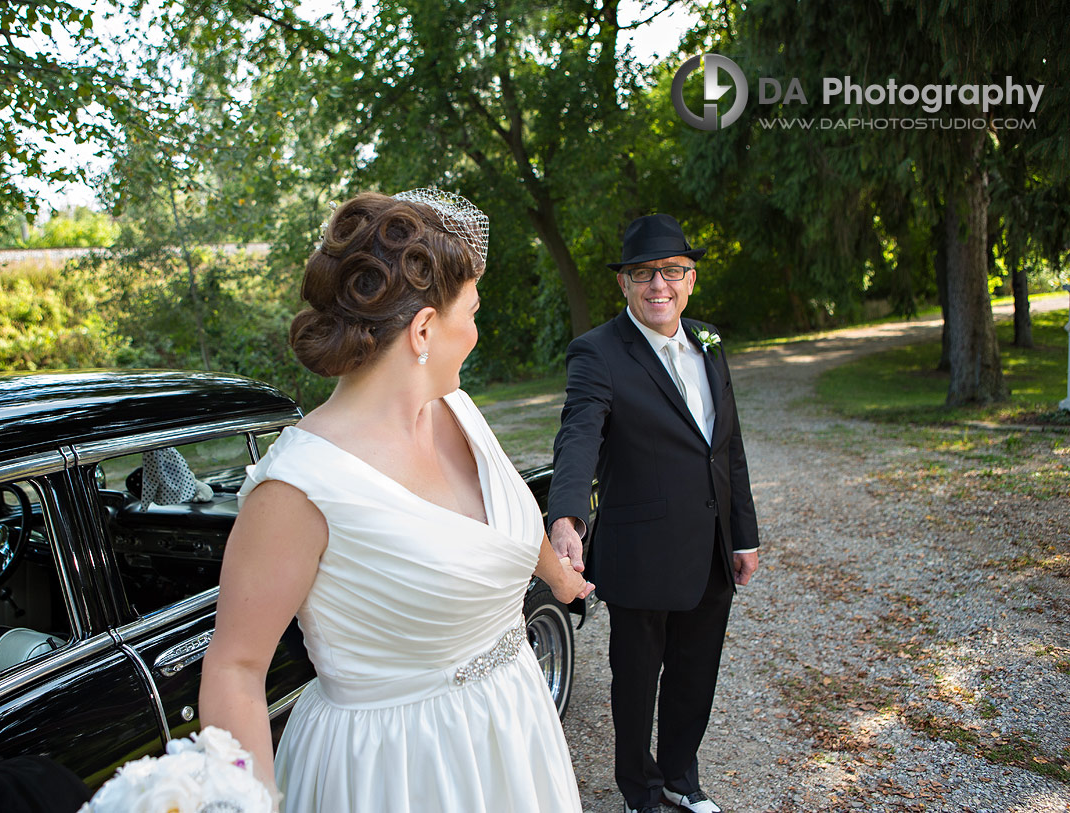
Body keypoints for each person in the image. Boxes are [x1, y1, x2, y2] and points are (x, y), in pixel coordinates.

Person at [200, 189, 594, 813]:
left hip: (513, 728)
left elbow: (505, 512)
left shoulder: (455, 407)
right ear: (424, 329)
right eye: (472, 312)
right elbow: (234, 669)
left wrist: (557, 575)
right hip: (397, 767)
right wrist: (250, 803)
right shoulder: (299, 488)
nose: (477, 331)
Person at [547, 214, 760, 813]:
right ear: (624, 284)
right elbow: (578, 438)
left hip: (711, 546)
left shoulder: (711, 343)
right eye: (643, 274)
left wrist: (744, 534)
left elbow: (729, 448)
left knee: (696, 676)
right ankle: (639, 792)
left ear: (690, 279)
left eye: (670, 271)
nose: (657, 285)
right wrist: (566, 517)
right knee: (637, 684)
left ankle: (680, 780)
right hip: (640, 554)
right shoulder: (597, 352)